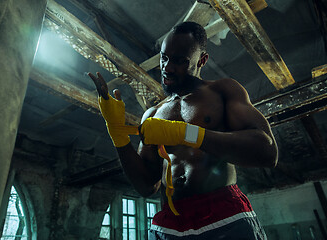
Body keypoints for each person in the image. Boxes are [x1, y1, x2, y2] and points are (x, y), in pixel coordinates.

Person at [88, 22, 278, 239]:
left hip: (223, 215)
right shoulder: (153, 113)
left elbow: (267, 151)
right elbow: (146, 186)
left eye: (179, 61)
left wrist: (184, 134)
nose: (167, 67)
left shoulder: (222, 90)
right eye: (163, 58)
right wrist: (117, 132)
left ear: (202, 60)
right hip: (170, 222)